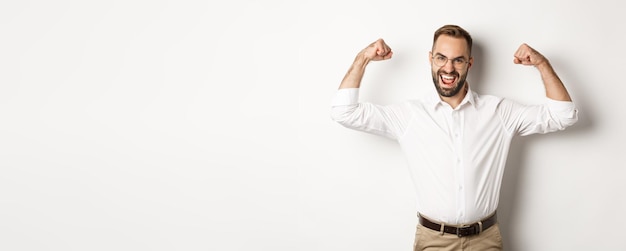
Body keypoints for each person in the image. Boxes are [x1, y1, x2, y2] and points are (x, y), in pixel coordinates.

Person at [330, 24, 578, 251]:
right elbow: (344, 112)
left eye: (457, 60)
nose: (448, 68)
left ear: (469, 63)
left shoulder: (499, 112)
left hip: (485, 240)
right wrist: (363, 58)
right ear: (431, 59)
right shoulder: (409, 115)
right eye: (441, 58)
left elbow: (563, 116)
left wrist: (542, 64)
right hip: (433, 241)